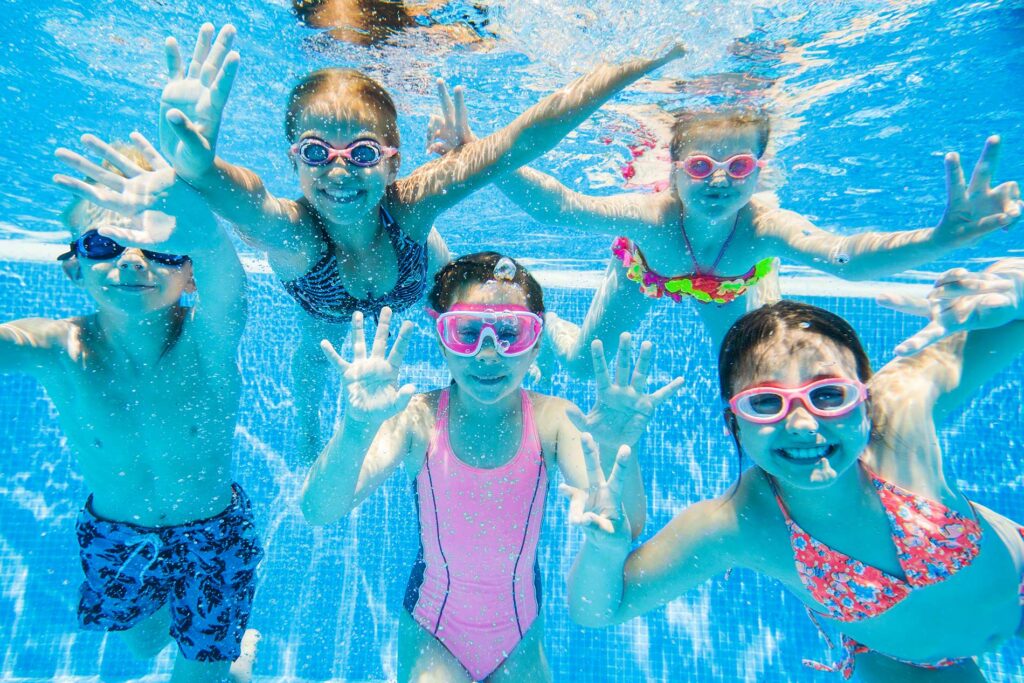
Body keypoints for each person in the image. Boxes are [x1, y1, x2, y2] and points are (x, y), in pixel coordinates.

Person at [156, 23, 685, 461]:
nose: (339, 171)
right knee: (313, 358)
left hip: (421, 272)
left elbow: (517, 142)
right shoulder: (296, 234)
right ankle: (307, 427)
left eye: (361, 153)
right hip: (326, 303)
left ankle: (525, 344)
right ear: (294, 160)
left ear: (393, 161)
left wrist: (620, 72)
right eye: (317, 152)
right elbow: (245, 199)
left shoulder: (409, 205)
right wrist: (198, 162)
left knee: (467, 309)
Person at [561, 258, 1024, 681]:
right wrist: (605, 549)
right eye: (766, 403)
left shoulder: (902, 408)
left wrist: (1014, 288)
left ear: (864, 395)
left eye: (828, 395)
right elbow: (598, 610)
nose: (803, 425)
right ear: (735, 423)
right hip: (911, 667)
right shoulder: (738, 523)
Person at [428, 91, 1024, 376]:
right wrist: (479, 155)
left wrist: (940, 239)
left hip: (735, 285)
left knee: (759, 370)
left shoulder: (762, 225)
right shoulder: (653, 219)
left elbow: (843, 258)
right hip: (646, 273)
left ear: (758, 172)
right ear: (673, 171)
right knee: (584, 366)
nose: (718, 181)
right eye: (700, 167)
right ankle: (554, 330)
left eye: (738, 167)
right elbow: (561, 209)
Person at [300, 252, 683, 682]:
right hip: (432, 632)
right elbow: (318, 509)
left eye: (509, 333)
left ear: (535, 343)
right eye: (466, 332)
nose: (488, 353)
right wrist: (355, 429)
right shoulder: (416, 420)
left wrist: (613, 449)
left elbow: (623, 522)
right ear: (442, 338)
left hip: (520, 638)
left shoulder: (554, 420)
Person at [0, 133, 263, 683]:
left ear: (189, 272)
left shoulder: (208, 340)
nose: (134, 261)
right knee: (143, 645)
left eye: (161, 247)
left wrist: (190, 210)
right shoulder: (59, 348)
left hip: (211, 534)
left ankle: (223, 656)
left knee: (200, 671)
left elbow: (227, 280)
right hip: (117, 537)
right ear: (74, 265)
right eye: (104, 246)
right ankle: (216, 649)